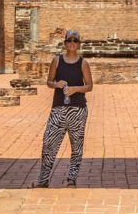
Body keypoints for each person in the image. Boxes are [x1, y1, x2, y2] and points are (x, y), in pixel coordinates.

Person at [32, 29, 93, 188]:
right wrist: (56, 84)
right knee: (49, 143)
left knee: (76, 145)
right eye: (70, 41)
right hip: (59, 108)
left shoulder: (83, 63)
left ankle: (71, 178)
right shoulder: (57, 61)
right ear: (65, 44)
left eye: (75, 41)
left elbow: (89, 86)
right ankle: (43, 180)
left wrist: (75, 89)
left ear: (78, 44)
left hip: (78, 110)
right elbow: (49, 82)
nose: (72, 43)